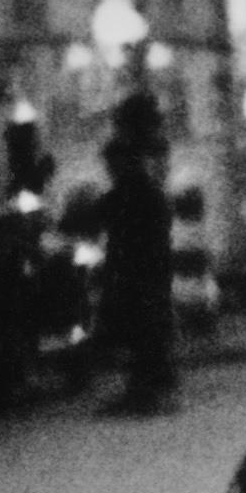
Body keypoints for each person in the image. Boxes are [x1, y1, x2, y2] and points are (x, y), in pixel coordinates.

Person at [94, 85, 177, 414]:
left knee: (135, 310)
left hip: (132, 240)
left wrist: (105, 208)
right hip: (150, 238)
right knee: (151, 308)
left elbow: (126, 186)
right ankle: (154, 379)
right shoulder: (155, 147)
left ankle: (143, 388)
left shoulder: (130, 150)